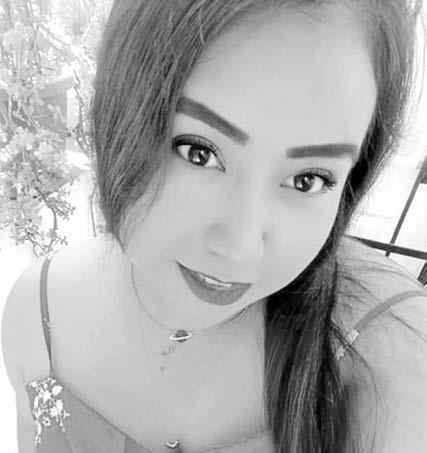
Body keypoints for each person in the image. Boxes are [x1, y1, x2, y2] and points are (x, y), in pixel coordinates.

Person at [2, 0, 427, 452]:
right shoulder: (40, 311)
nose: (240, 248)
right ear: (119, 109)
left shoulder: (391, 367)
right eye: (198, 152)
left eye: (309, 180)